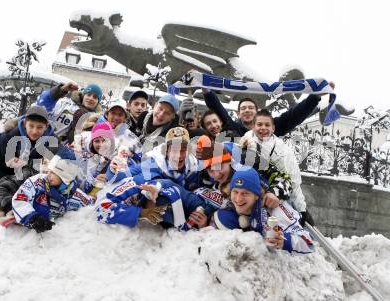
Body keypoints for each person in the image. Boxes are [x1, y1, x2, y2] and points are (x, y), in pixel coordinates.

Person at [211, 167, 315, 254]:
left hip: (292, 233)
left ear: (257, 196)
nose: (238, 199)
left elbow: (309, 243)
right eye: (235, 192)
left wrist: (284, 240)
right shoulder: (230, 203)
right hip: (252, 227)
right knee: (223, 218)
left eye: (245, 193)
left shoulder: (275, 210)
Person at [241, 109, 313, 225]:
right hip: (249, 195)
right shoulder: (246, 141)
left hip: (275, 197)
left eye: (267, 125)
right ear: (253, 127)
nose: (263, 128)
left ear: (273, 128)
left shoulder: (283, 151)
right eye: (259, 124)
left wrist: (301, 209)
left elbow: (293, 181)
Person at [12, 149, 94, 233]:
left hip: (53, 236)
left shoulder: (75, 195)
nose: (48, 175)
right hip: (26, 231)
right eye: (49, 171)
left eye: (53, 173)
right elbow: (19, 200)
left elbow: (91, 209)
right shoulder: (37, 181)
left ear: (65, 177)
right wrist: (32, 218)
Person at [202, 86, 330, 137]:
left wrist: (315, 97)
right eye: (243, 108)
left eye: (251, 108)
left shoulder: (271, 127)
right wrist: (206, 89)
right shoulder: (231, 127)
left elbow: (293, 115)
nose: (247, 110)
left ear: (257, 112)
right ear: (238, 113)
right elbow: (218, 108)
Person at [107, 127, 202, 191]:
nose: (178, 155)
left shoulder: (195, 167)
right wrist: (113, 169)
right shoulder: (153, 163)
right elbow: (122, 175)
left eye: (183, 150)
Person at [37, 82, 103, 144]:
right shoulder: (65, 103)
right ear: (83, 95)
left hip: (64, 153)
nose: (91, 98)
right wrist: (59, 90)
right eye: (88, 95)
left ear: (98, 102)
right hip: (42, 142)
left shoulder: (97, 120)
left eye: (95, 97)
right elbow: (42, 107)